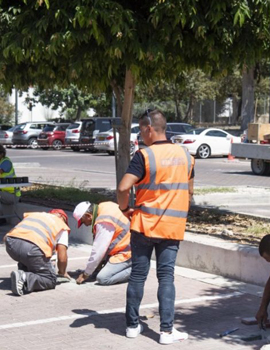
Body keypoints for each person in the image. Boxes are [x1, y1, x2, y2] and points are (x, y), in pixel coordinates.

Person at [117, 109, 195, 345]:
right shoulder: (186, 155)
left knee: (138, 276)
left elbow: (123, 188)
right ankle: (166, 332)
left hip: (143, 225)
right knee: (166, 278)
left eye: (140, 129)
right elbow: (189, 191)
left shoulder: (144, 156)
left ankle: (132, 326)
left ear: (149, 128)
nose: (140, 134)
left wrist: (124, 209)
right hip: (171, 228)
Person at [5, 209, 71, 296]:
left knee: (30, 254)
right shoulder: (62, 226)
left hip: (11, 244)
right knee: (50, 279)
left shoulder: (35, 216)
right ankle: (24, 277)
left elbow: (8, 236)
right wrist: (62, 273)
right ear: (63, 218)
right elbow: (62, 258)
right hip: (32, 248)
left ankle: (23, 271)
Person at [72, 201, 132, 286]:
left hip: (127, 253)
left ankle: (137, 270)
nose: (85, 225)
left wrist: (86, 274)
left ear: (88, 216)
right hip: (128, 247)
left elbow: (99, 250)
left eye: (83, 221)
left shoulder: (104, 221)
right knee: (98, 270)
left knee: (103, 278)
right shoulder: (104, 206)